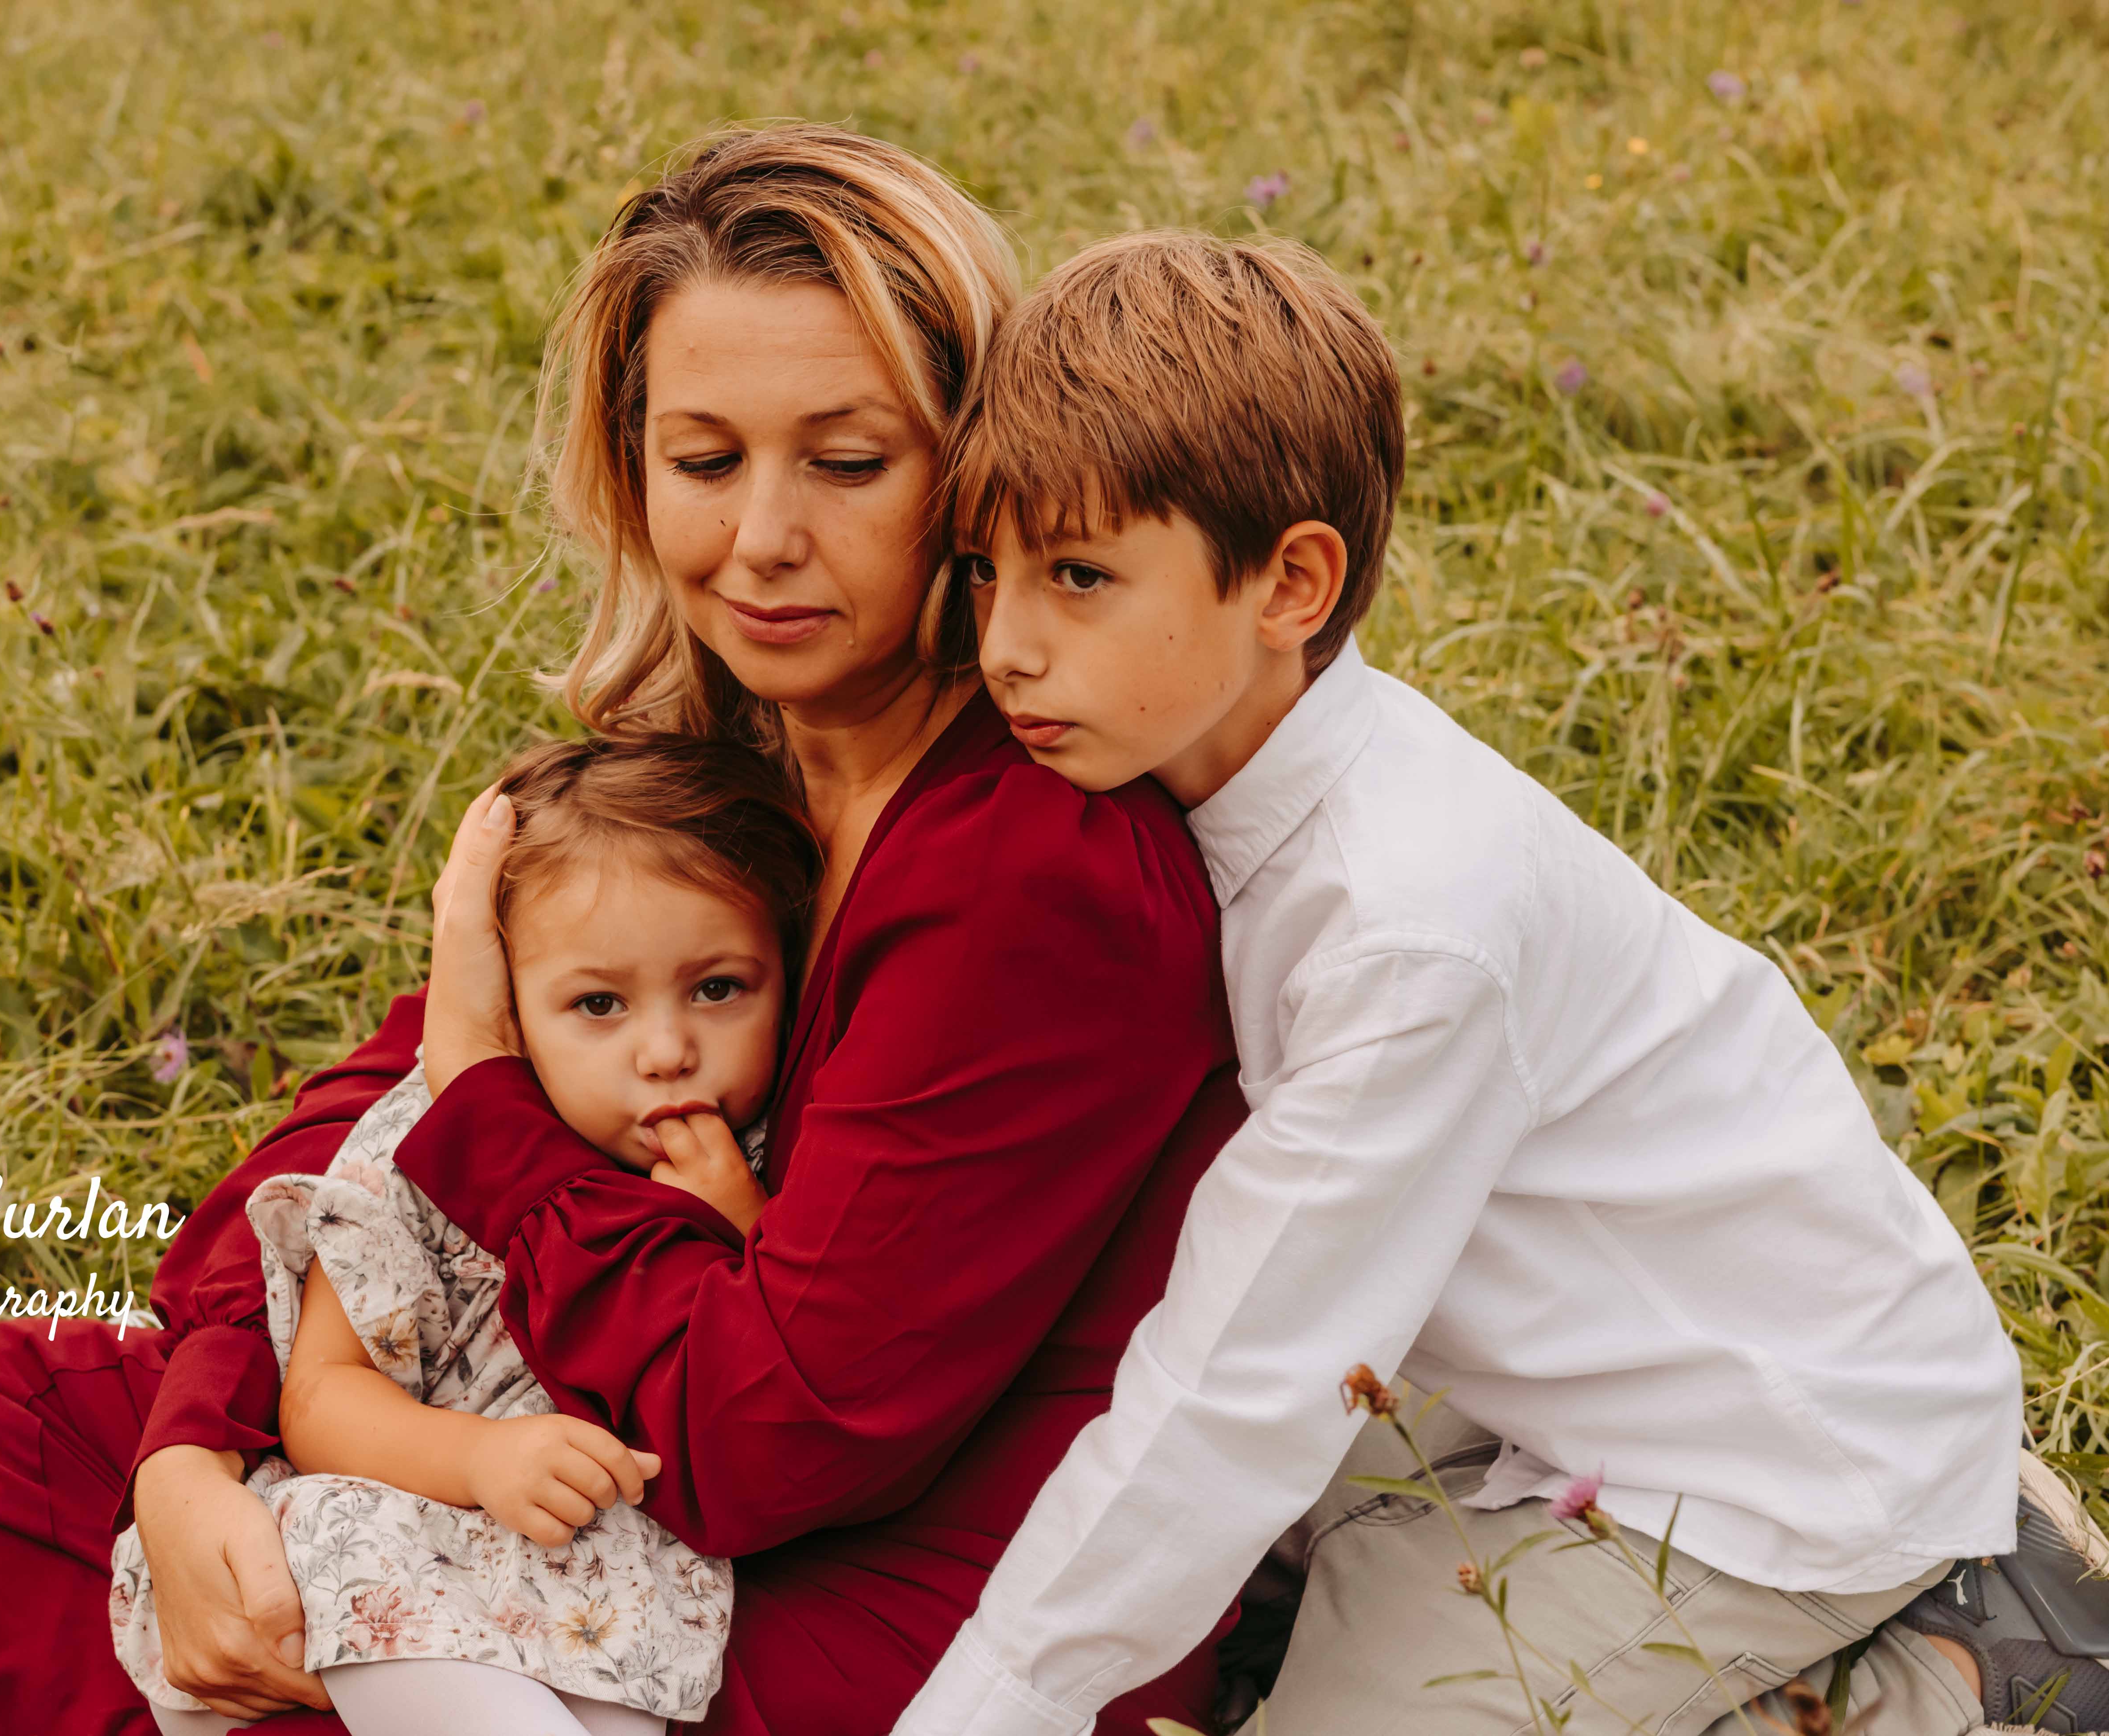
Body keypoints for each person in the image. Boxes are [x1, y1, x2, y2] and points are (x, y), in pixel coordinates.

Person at [0, 125, 1248, 1736]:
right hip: (614, 1474)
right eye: (704, 461)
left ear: (971, 475)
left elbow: (767, 1439)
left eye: (846, 459)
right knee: (21, 1416)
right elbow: (372, 1113)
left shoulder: (1035, 865)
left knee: (203, 1570)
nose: (760, 540)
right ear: (634, 468)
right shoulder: (713, 763)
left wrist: (486, 1106)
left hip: (906, 1618)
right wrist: (193, 1450)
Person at [892, 229, 2101, 1736]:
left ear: (1291, 584)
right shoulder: (1203, 767)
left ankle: (1962, 1671)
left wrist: (979, 1712)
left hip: (1779, 1458)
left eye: (1078, 576)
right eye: (983, 570)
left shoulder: (1407, 921)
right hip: (1559, 1349)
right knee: (1236, 1552)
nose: (1004, 644)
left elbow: (1237, 1385)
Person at [109, 735, 822, 1735]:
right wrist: (483, 1458)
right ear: (510, 1011)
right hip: (413, 1526)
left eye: (718, 987)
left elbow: (775, 1345)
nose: (667, 1051)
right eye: (599, 1004)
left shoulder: (780, 1142)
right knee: (358, 1558)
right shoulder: (429, 1144)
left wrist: (741, 1223)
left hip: (609, 1574)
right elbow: (319, 1394)